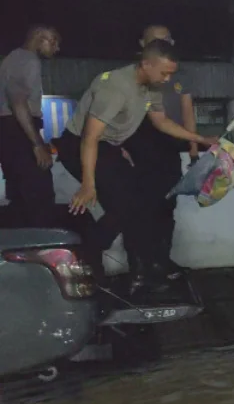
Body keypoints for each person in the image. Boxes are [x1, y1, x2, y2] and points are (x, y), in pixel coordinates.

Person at [54, 40, 216, 294]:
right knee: (124, 206)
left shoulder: (151, 87)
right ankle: (86, 257)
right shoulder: (115, 87)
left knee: (138, 203)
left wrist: (200, 139)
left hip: (106, 146)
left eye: (171, 74)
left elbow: (161, 122)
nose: (167, 79)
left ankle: (138, 273)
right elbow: (90, 137)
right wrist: (88, 183)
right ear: (146, 64)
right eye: (164, 73)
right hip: (79, 145)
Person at [122, 25, 200, 279]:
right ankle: (139, 269)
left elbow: (187, 112)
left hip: (170, 143)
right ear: (142, 45)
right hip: (138, 142)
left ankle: (162, 263)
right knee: (138, 207)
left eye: (167, 40)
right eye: (155, 41)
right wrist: (120, 146)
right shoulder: (130, 75)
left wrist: (194, 150)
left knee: (167, 204)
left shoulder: (180, 74)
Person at [0, 25, 61, 228]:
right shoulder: (28, 60)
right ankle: (41, 240)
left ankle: (21, 241)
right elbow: (18, 102)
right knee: (39, 195)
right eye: (53, 41)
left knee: (21, 197)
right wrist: (36, 144)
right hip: (19, 131)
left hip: (10, 131)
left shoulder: (13, 58)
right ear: (38, 38)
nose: (57, 48)